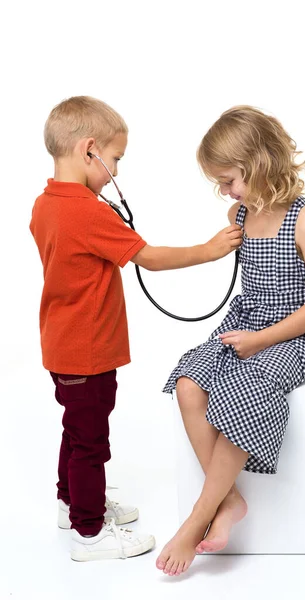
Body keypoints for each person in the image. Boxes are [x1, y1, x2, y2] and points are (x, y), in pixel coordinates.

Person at [29, 96, 242, 562]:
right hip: (88, 351)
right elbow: (149, 257)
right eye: (116, 159)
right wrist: (210, 249)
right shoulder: (87, 212)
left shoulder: (46, 204)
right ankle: (89, 533)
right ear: (90, 151)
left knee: (75, 429)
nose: (117, 173)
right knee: (91, 441)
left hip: (61, 345)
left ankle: (72, 503)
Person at [158, 105, 305, 576]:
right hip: (247, 323)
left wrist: (261, 340)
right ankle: (230, 499)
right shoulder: (240, 211)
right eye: (219, 183)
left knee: (247, 387)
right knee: (191, 381)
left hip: (296, 333)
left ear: (260, 163)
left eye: (229, 178)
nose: (225, 191)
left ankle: (199, 514)